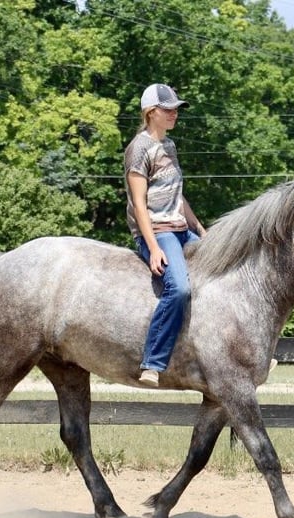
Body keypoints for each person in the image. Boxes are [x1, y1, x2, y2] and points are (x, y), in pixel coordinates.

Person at [124, 83, 205, 387]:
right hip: (158, 232)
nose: (174, 114)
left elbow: (177, 196)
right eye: (168, 109)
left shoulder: (168, 146)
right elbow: (140, 204)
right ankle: (152, 363)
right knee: (179, 289)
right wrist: (153, 246)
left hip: (182, 230)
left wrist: (199, 229)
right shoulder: (139, 148)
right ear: (150, 112)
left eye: (176, 109)